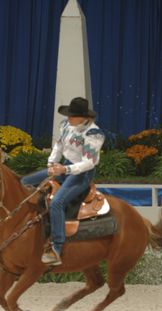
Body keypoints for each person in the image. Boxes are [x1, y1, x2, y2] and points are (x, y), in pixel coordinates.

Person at [21, 97, 105, 266]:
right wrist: (51, 164)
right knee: (24, 182)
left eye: (72, 116)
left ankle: (56, 248)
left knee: (57, 202)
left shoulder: (94, 134)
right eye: (69, 115)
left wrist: (64, 170)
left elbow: (88, 162)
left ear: (84, 117)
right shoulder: (66, 126)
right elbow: (58, 146)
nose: (69, 118)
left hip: (81, 174)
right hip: (63, 167)